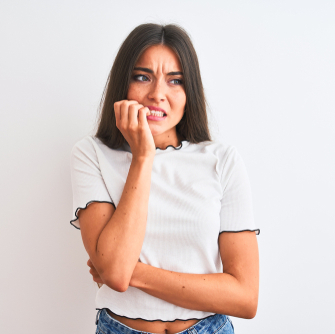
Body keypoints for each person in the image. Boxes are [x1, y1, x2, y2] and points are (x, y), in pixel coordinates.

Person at [69, 23, 260, 334]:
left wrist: (132, 272)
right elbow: (114, 276)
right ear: (123, 84)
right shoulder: (91, 154)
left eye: (176, 81)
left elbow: (245, 297)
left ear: (190, 93)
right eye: (143, 77)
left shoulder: (222, 160)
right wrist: (143, 157)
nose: (157, 94)